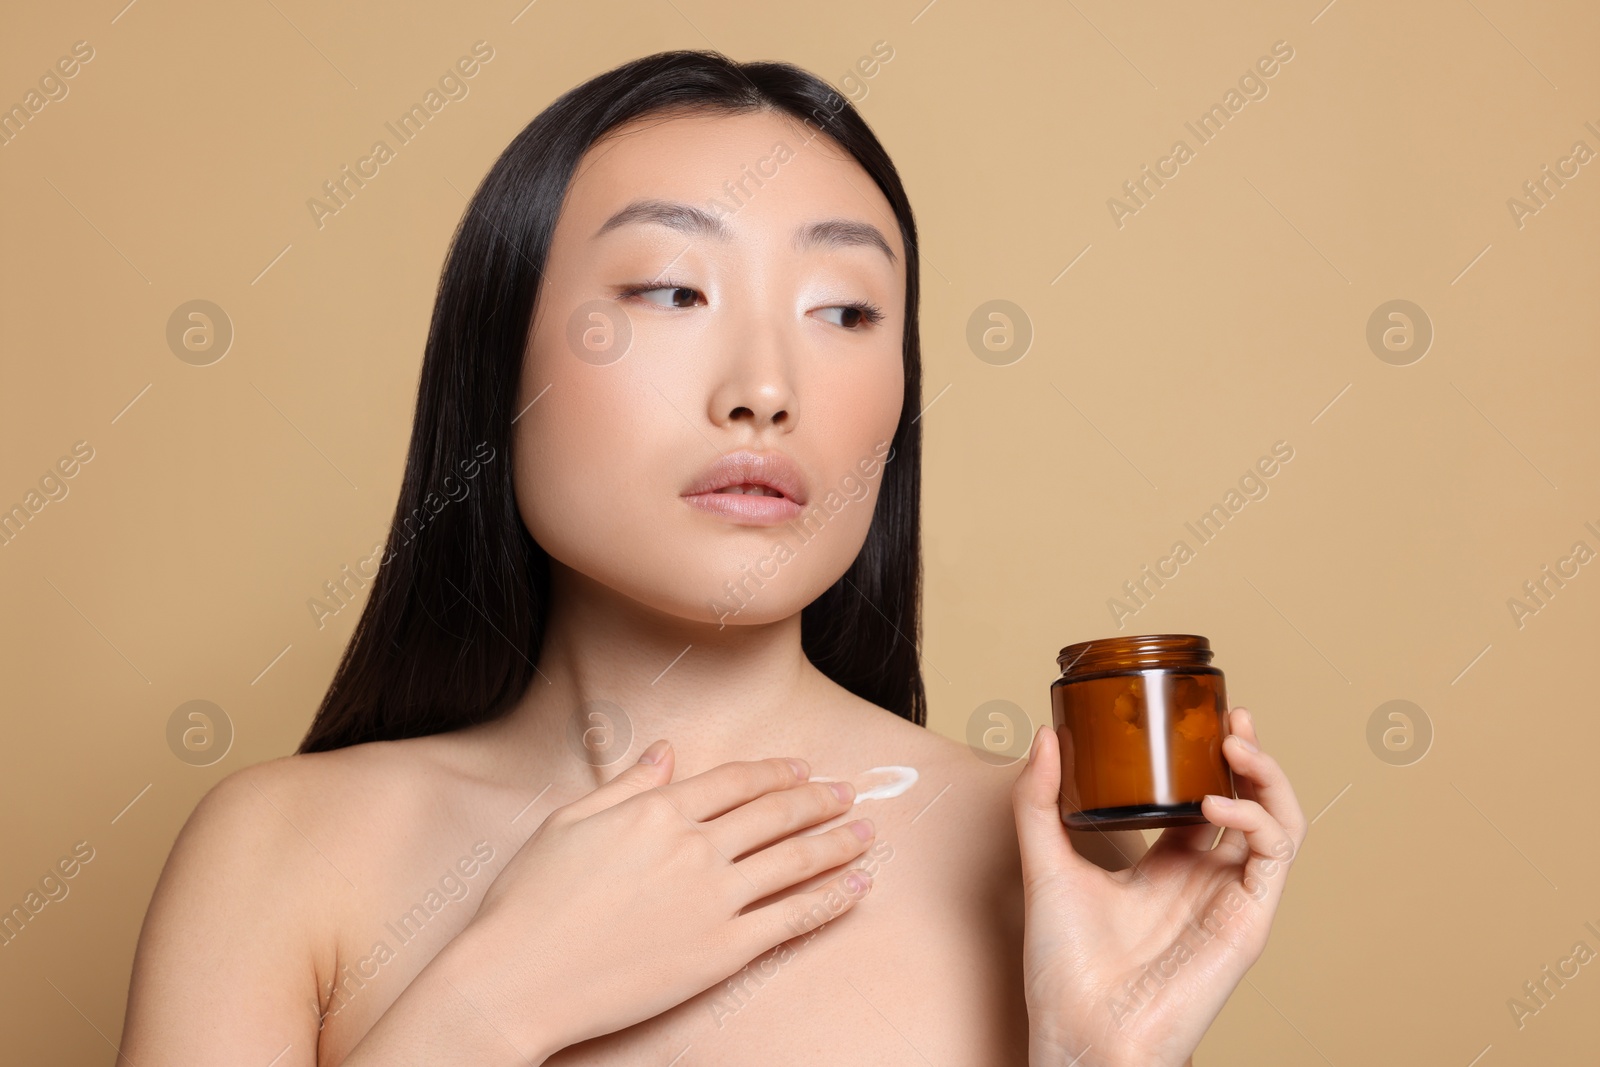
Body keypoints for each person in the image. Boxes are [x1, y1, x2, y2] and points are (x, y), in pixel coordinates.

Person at [119, 49, 1305, 1066]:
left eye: (844, 312)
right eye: (671, 290)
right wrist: (492, 1001)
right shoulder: (283, 855)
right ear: (499, 359)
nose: (764, 391)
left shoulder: (1043, 858)